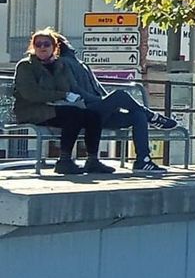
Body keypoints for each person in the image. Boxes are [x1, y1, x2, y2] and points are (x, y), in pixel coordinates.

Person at [51, 32, 177, 173]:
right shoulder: (62, 63)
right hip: (86, 110)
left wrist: (108, 103)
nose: (70, 44)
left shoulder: (81, 63)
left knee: (138, 115)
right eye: (65, 42)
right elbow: (75, 89)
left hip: (99, 109)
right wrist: (103, 101)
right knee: (120, 95)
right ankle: (152, 117)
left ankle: (143, 160)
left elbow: (98, 87)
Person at [13, 29, 108, 175]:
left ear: (54, 47)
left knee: (93, 115)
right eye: (38, 44)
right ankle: (64, 161)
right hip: (32, 110)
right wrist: (62, 95)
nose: (42, 47)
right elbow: (31, 94)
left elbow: (68, 86)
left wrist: (65, 88)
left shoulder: (60, 65)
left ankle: (92, 160)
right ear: (33, 47)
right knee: (73, 114)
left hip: (56, 108)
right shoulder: (25, 66)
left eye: (46, 44)